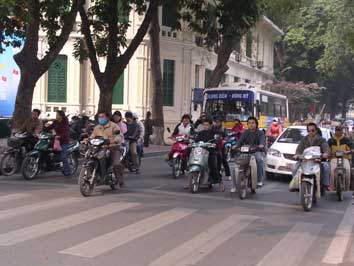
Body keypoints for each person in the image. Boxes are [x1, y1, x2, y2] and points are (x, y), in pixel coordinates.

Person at [292, 122, 331, 190]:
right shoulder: (304, 140)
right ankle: (295, 185)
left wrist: (326, 153)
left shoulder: (322, 140)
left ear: (316, 131)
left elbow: (326, 148)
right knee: (295, 168)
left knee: (326, 167)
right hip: (305, 160)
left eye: (313, 130)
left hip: (318, 160)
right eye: (309, 131)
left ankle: (325, 184)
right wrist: (297, 155)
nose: (311, 132)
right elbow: (299, 149)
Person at [231, 116, 266, 192]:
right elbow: (240, 142)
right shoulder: (245, 133)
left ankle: (259, 180)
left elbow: (262, 143)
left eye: (253, 123)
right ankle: (234, 185)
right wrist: (236, 146)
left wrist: (260, 146)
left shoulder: (260, 133)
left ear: (256, 124)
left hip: (256, 151)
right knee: (236, 165)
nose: (251, 124)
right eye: (249, 123)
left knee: (259, 159)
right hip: (245, 151)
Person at [90, 112, 125, 187]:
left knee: (116, 164)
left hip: (113, 148)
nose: (101, 118)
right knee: (91, 157)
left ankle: (120, 180)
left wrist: (113, 140)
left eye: (102, 117)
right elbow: (92, 136)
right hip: (100, 148)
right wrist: (87, 140)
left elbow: (119, 136)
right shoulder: (97, 127)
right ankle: (97, 176)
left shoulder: (114, 126)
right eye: (99, 117)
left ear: (107, 118)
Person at [195, 118, 223, 191]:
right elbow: (196, 140)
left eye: (207, 125)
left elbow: (217, 139)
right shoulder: (201, 133)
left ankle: (219, 182)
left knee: (212, 164)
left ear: (211, 125)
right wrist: (192, 143)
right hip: (201, 151)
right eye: (204, 125)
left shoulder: (215, 133)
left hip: (211, 151)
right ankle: (191, 180)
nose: (205, 126)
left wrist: (214, 144)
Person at [328, 126, 354, 196]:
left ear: (342, 131)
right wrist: (328, 153)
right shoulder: (330, 140)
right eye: (337, 130)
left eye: (340, 130)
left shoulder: (346, 140)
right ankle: (331, 187)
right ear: (335, 131)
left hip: (345, 158)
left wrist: (350, 151)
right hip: (333, 159)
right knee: (332, 171)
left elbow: (352, 147)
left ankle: (347, 187)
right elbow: (326, 149)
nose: (338, 132)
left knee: (348, 170)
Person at [46, 111, 71, 176]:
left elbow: (66, 131)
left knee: (64, 157)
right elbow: (49, 127)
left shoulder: (65, 122)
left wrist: (60, 136)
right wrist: (43, 129)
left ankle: (67, 171)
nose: (56, 116)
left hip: (64, 141)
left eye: (57, 115)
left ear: (61, 116)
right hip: (56, 140)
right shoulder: (55, 122)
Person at [212, 116, 231, 182]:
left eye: (218, 122)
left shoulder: (223, 129)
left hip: (221, 146)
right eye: (215, 122)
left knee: (223, 160)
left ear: (220, 122)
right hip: (213, 145)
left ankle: (228, 174)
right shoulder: (212, 128)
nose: (217, 123)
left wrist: (225, 140)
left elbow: (227, 137)